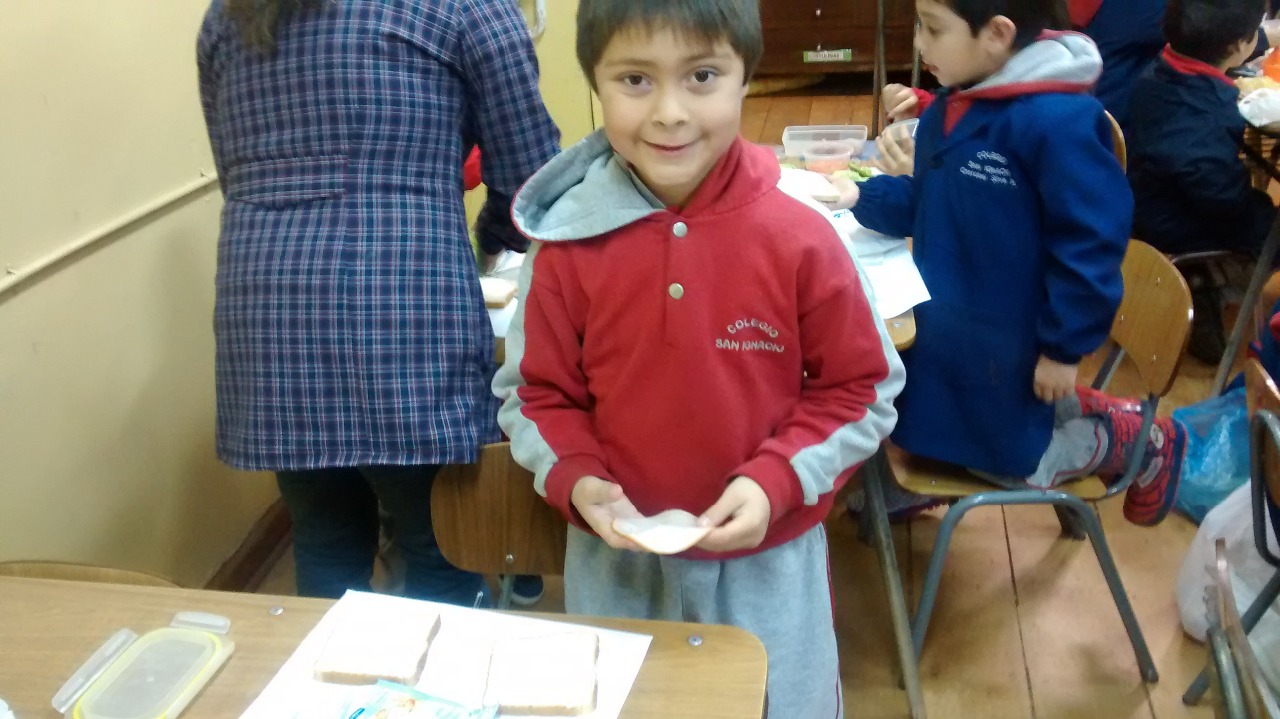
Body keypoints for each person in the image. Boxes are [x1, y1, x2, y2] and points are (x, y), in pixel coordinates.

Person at [492, 0, 905, 714]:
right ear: (595, 83)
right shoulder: (564, 250)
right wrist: (577, 476)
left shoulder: (801, 236)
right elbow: (534, 394)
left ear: (748, 77)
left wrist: (778, 479)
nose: (670, 113)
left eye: (702, 76)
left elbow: (862, 389)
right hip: (617, 568)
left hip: (769, 568)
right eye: (635, 80)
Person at [197, 0, 559, 604]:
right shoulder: (464, 8)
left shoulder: (227, 17)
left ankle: (331, 668)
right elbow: (534, 180)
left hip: (264, 317)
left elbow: (235, 173)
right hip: (400, 318)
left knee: (324, 540)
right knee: (442, 544)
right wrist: (494, 236)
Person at [835, 0, 1186, 525]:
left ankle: (1130, 440)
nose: (919, 44)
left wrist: (1064, 347)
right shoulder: (955, 104)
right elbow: (929, 197)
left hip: (1012, 334)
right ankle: (949, 458)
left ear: (997, 34)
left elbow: (1091, 243)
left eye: (932, 29)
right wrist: (857, 197)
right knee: (936, 410)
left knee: (1014, 460)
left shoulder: (1060, 121)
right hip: (958, 316)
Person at [1127, 0, 1276, 365]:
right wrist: (1262, 207)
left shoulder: (1159, 71)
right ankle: (1211, 286)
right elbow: (1225, 204)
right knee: (1272, 231)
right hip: (1173, 222)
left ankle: (1206, 283)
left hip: (1148, 196)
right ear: (1238, 45)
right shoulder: (1203, 119)